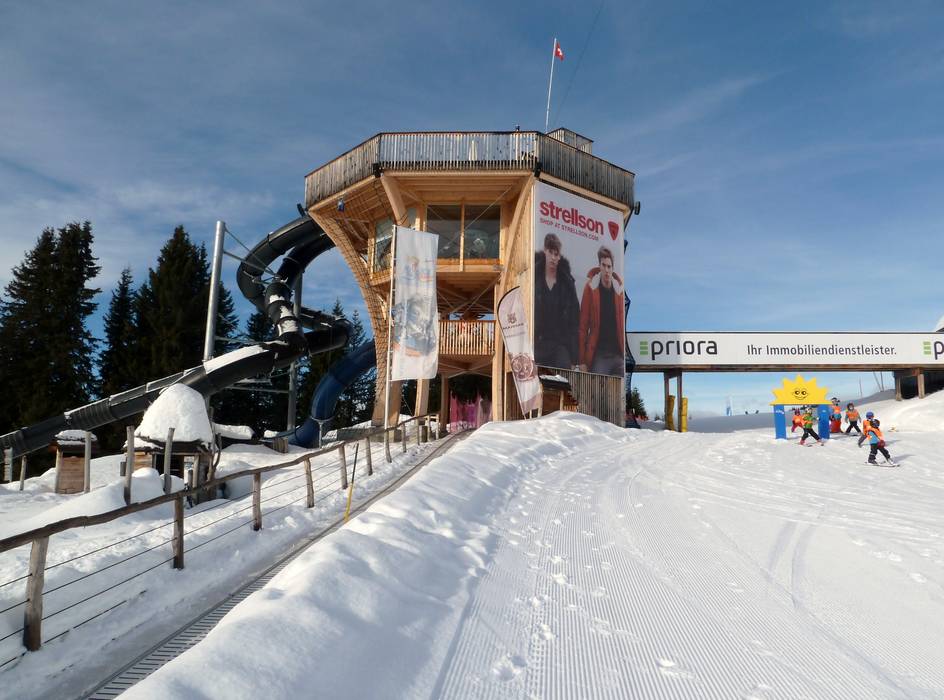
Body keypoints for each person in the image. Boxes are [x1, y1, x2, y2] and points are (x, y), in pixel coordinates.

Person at [533, 233, 580, 369]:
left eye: (556, 254)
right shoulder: (532, 278)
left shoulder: (567, 284)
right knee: (532, 378)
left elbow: (575, 320)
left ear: (559, 256)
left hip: (560, 343)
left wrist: (574, 357)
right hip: (537, 342)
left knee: (565, 376)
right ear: (545, 251)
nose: (553, 257)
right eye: (550, 252)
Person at [578, 245, 625, 376]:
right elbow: (583, 327)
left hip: (618, 355)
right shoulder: (591, 289)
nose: (606, 270)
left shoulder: (619, 293)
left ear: (613, 268)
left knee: (623, 386)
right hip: (600, 355)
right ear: (599, 266)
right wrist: (581, 360)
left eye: (609, 266)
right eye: (603, 265)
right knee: (597, 385)